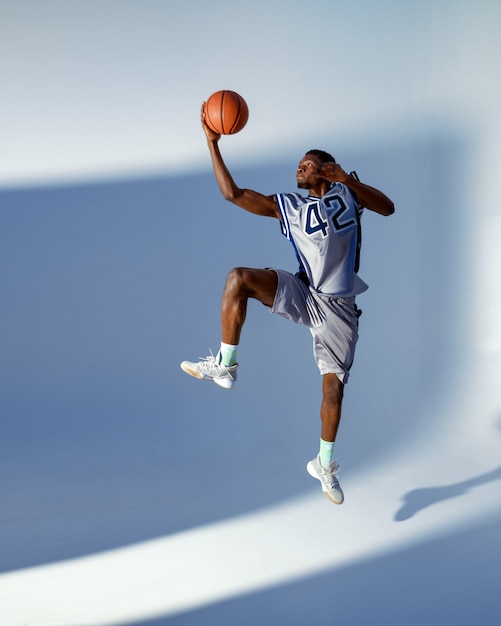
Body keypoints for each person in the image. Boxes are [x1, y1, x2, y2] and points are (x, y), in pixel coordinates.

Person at [181, 105, 395, 504]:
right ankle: (227, 364)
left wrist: (346, 178)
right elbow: (233, 194)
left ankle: (324, 464)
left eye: (308, 164)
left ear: (326, 169)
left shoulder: (349, 194)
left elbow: (388, 207)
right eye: (298, 165)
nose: (299, 169)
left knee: (333, 392)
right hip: (304, 291)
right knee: (238, 278)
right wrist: (212, 144)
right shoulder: (289, 207)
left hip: (338, 308)